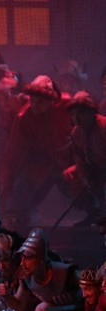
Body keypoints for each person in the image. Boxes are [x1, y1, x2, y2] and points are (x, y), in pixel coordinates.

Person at [0, 75, 73, 231]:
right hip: (40, 164)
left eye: (40, 102)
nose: (34, 106)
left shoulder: (67, 105)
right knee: (20, 194)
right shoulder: (24, 117)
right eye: (32, 101)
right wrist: (6, 188)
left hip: (68, 161)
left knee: (84, 192)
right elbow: (13, 152)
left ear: (51, 101)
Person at [62, 91, 106, 226]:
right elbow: (79, 159)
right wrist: (86, 177)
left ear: (91, 112)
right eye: (74, 114)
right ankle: (93, 213)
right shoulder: (76, 133)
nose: (76, 118)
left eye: (80, 113)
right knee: (70, 174)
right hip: (93, 169)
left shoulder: (104, 127)